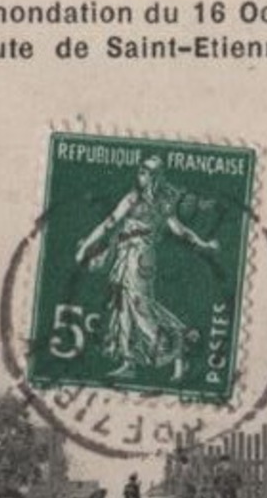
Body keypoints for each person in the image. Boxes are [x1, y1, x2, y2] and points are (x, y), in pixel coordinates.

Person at [75, 156, 221, 382]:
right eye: (142, 170)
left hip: (141, 258)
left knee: (141, 308)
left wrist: (203, 243)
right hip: (124, 256)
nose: (142, 175)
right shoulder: (133, 198)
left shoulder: (163, 203)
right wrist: (85, 246)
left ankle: (179, 349)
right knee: (122, 306)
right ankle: (129, 362)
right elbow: (109, 223)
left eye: (148, 172)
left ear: (157, 176)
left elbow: (179, 230)